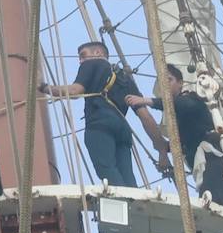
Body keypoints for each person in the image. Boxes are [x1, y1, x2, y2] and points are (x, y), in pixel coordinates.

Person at [38, 41, 168, 187]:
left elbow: (74, 91)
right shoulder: (125, 79)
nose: (80, 60)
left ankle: (122, 203)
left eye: (82, 56)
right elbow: (146, 117)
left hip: (100, 124)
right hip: (122, 129)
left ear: (98, 53)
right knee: (128, 178)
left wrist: (44, 87)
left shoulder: (91, 64)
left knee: (108, 173)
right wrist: (162, 150)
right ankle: (134, 205)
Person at [125, 63, 223, 205]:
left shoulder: (191, 98)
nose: (165, 85)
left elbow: (184, 105)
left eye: (169, 80)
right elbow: (183, 141)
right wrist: (164, 150)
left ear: (180, 83)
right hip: (203, 163)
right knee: (209, 200)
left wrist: (146, 101)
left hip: (213, 158)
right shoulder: (177, 117)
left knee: (213, 202)